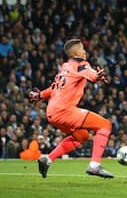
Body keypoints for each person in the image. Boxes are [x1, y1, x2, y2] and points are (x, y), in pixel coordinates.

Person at [29, 39, 114, 178]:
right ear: (75, 53)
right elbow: (90, 74)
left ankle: (48, 159)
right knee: (105, 125)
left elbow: (53, 88)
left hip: (51, 113)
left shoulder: (65, 67)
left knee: (82, 136)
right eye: (82, 49)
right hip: (65, 111)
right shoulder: (81, 64)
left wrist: (39, 95)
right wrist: (97, 76)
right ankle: (94, 166)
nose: (85, 52)